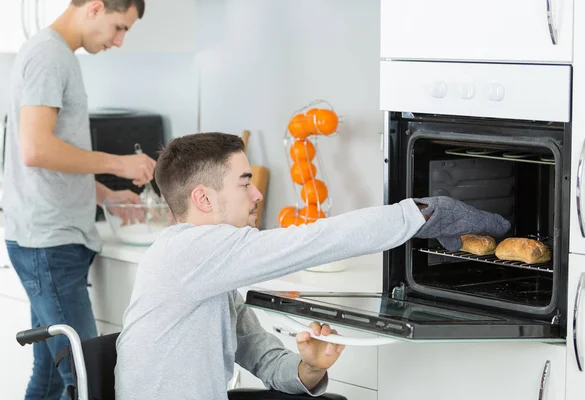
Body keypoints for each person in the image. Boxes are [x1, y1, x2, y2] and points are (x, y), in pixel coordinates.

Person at [114, 132, 510, 399]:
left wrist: (310, 368)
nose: (256, 194)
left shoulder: (208, 270)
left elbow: (265, 360)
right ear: (202, 198)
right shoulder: (189, 253)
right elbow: (314, 241)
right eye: (243, 183)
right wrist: (426, 214)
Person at [4, 1, 154, 399]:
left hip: (49, 237)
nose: (119, 41)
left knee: (53, 377)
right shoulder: (50, 55)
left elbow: (49, 159)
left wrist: (104, 194)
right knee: (89, 375)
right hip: (49, 242)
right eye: (119, 27)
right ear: (95, 8)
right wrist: (120, 164)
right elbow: (35, 149)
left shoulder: (54, 53)